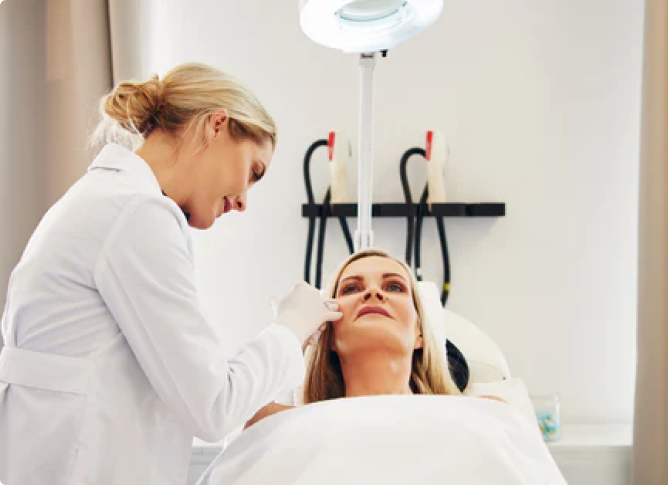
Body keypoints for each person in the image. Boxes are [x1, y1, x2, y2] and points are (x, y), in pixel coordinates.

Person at [0, 62, 341, 485]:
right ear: (217, 125)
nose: (243, 201)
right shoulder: (136, 213)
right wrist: (291, 325)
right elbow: (213, 407)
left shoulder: (106, 201)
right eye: (253, 172)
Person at [244, 248, 506, 429]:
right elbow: (253, 425)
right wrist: (295, 329)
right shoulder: (288, 423)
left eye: (394, 287)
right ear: (329, 333)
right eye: (351, 288)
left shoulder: (485, 415)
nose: (372, 291)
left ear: (420, 333)